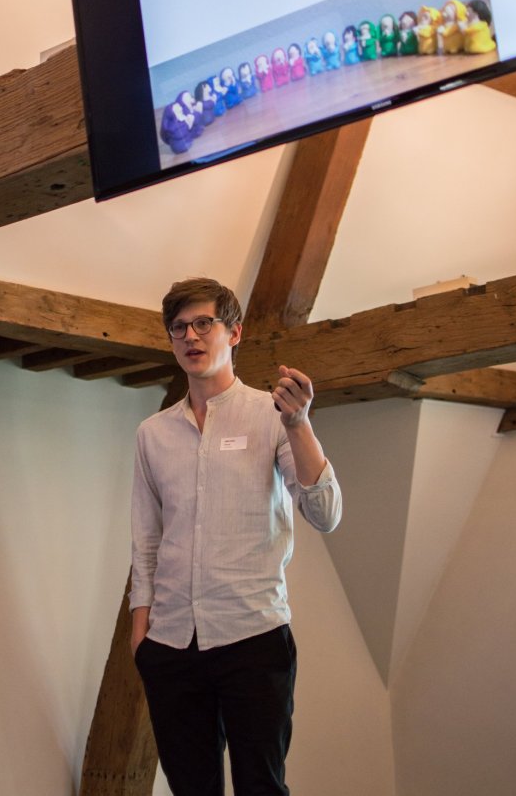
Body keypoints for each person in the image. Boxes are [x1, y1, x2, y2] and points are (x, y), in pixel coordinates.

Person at [129, 277, 342, 795]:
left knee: (261, 787)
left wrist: (299, 423)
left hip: (253, 638)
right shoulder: (153, 434)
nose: (191, 336)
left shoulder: (274, 417)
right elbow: (146, 541)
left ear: (235, 332)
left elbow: (326, 513)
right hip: (171, 643)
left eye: (204, 323)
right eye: (179, 327)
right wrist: (141, 637)